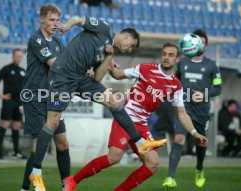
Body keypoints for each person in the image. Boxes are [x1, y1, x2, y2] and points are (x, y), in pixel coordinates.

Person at [30, 16, 165, 191]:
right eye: (131, 45)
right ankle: (36, 173)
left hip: (81, 79)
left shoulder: (109, 51)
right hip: (63, 75)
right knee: (53, 122)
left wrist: (109, 56)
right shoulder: (104, 29)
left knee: (114, 103)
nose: (130, 49)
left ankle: (141, 144)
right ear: (126, 36)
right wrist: (66, 26)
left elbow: (98, 77)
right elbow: (79, 20)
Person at [64, 42, 208, 191]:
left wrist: (195, 133)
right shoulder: (145, 69)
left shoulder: (175, 86)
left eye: (171, 55)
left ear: (177, 59)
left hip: (141, 126)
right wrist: (109, 60)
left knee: (152, 163)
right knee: (114, 157)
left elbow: (181, 113)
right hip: (124, 119)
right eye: (164, 54)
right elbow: (118, 75)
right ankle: (72, 181)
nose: (166, 58)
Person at [162, 29, 222, 189]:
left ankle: (199, 168)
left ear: (206, 46)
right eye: (196, 41)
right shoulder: (182, 62)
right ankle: (170, 178)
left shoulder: (211, 65)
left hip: (202, 111)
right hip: (184, 109)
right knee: (178, 139)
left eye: (202, 42)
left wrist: (204, 94)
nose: (199, 44)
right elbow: (175, 81)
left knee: (200, 143)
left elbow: (218, 89)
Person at [20, 4, 70, 191]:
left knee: (63, 143)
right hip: (34, 96)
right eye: (51, 19)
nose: (55, 24)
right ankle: (26, 187)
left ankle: (67, 185)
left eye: (57, 20)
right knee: (38, 145)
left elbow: (68, 62)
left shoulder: (57, 43)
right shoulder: (36, 40)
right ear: (41, 19)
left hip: (53, 99)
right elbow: (55, 64)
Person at [0, 48, 27, 159]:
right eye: (16, 56)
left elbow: (26, 89)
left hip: (19, 103)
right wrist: (1, 96)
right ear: (13, 56)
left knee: (16, 126)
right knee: (4, 125)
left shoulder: (23, 71)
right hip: (8, 102)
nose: (18, 58)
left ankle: (16, 152)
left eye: (20, 56)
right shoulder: (6, 69)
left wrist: (24, 104)